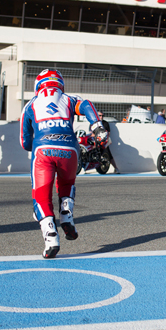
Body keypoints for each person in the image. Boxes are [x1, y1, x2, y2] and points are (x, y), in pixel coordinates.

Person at [21, 69, 104, 258]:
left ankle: (51, 237)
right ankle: (66, 215)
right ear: (59, 83)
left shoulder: (30, 105)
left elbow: (24, 142)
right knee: (66, 184)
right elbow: (87, 105)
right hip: (70, 149)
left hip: (43, 151)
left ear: (38, 85)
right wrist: (97, 126)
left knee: (41, 197)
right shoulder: (69, 98)